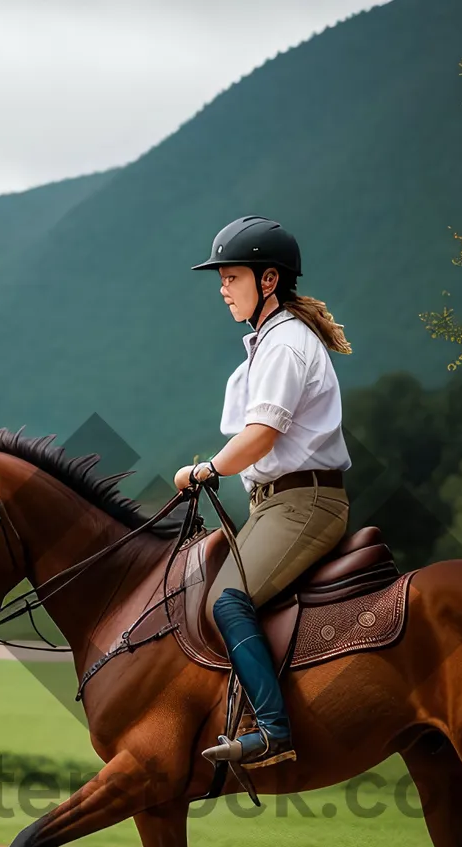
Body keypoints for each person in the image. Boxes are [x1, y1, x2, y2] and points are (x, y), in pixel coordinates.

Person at [174, 215, 353, 768]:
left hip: (303, 503)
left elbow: (261, 434)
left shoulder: (286, 345)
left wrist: (208, 470)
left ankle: (274, 729)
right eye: (221, 278)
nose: (223, 287)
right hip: (277, 503)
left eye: (231, 276)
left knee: (226, 600)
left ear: (268, 280)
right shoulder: (270, 342)